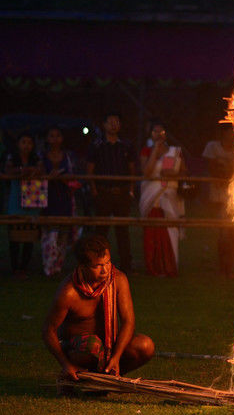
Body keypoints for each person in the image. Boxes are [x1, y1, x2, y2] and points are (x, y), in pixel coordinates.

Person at [42, 234, 154, 384]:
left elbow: (128, 322)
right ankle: (83, 377)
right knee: (92, 346)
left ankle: (107, 377)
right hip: (81, 350)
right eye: (97, 266)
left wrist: (116, 358)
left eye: (107, 263)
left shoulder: (118, 279)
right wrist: (66, 364)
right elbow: (48, 330)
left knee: (145, 345)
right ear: (82, 266)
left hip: (110, 347)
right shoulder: (69, 292)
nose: (105, 271)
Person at [86, 113, 136, 273]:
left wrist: (130, 190)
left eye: (117, 121)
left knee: (123, 230)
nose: (114, 124)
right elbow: (90, 169)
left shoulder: (126, 146)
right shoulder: (97, 145)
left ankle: (126, 265)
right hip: (103, 192)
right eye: (111, 122)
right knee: (101, 230)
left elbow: (132, 169)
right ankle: (96, 263)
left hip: (122, 193)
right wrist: (94, 190)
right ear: (104, 125)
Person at [139, 121, 184, 276]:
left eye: (161, 132)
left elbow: (185, 172)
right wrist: (155, 151)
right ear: (150, 134)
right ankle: (153, 267)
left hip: (168, 195)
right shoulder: (146, 151)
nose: (158, 135)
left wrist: (174, 174)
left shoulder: (174, 151)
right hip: (151, 196)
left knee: (169, 230)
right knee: (152, 232)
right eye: (155, 132)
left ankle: (169, 266)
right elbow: (146, 173)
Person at [202, 124, 234, 277]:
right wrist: (225, 169)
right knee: (223, 232)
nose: (231, 136)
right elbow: (213, 168)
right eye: (228, 133)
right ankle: (223, 266)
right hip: (219, 196)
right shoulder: (213, 147)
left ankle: (230, 265)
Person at [40, 126, 80, 277]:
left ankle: (58, 267)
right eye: (51, 135)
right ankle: (48, 266)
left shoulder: (68, 157)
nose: (55, 139)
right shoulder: (41, 157)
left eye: (58, 135)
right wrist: (49, 176)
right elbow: (38, 174)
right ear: (47, 138)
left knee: (63, 234)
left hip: (64, 198)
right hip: (48, 198)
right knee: (50, 233)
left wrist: (64, 178)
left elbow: (75, 176)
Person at [4, 132, 42, 279]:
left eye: (29, 143)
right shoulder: (11, 157)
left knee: (29, 237)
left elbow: (41, 170)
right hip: (15, 200)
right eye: (23, 142)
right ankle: (15, 268)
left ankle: (24, 268)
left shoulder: (36, 158)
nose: (26, 145)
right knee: (14, 236)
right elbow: (8, 171)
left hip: (32, 200)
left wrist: (31, 171)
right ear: (18, 144)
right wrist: (22, 171)